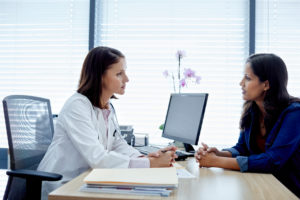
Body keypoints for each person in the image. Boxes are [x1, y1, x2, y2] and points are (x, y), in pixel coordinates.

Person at [38, 46, 177, 199]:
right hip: (63, 184)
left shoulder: (106, 106)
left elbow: (118, 144)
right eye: (119, 74)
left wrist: (144, 159)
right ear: (99, 76)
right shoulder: (77, 106)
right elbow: (97, 157)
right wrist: (149, 164)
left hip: (88, 179)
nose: (127, 79)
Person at [195, 53, 300, 197]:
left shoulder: (294, 114)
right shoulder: (252, 110)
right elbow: (242, 147)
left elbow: (273, 160)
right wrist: (219, 153)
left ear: (266, 84)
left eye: (248, 78)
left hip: (288, 190)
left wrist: (217, 161)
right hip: (262, 185)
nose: (241, 83)